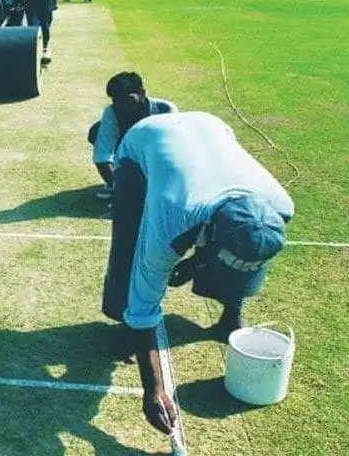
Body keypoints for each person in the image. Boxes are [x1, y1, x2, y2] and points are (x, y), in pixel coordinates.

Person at [100, 111, 294, 437]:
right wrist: (154, 389)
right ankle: (123, 326)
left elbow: (236, 243)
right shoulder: (172, 216)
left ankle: (230, 317)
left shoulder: (280, 209)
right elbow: (146, 300)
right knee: (129, 253)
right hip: (143, 142)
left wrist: (195, 263)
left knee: (241, 255)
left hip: (210, 129)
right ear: (211, 232)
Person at [89, 72, 177, 198]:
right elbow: (103, 156)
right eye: (116, 101)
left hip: (155, 156)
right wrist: (119, 189)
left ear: (142, 93)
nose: (122, 105)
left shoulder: (165, 110)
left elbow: (173, 151)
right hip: (129, 156)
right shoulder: (112, 111)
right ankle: (118, 181)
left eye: (127, 99)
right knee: (96, 131)